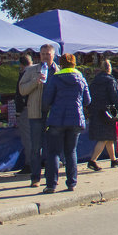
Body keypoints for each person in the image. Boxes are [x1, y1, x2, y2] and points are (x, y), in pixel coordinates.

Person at [41, 52, 90, 193]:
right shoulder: (81, 78)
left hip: (57, 119)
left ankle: (51, 184)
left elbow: (46, 100)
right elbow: (88, 100)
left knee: (53, 153)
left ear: (61, 64)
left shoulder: (55, 79)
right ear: (74, 63)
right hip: (75, 119)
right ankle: (71, 183)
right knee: (71, 151)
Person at [18, 44, 57, 188]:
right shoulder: (31, 70)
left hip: (53, 115)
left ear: (53, 55)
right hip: (36, 113)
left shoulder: (59, 71)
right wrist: (35, 81)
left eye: (48, 54)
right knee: (35, 148)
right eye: (43, 54)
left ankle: (51, 177)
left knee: (52, 148)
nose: (45, 56)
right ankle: (35, 177)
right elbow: (22, 90)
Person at [86, 60, 118, 170]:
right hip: (108, 113)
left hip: (97, 112)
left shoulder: (94, 81)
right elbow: (116, 98)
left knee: (109, 138)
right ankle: (92, 161)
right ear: (109, 68)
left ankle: (113, 160)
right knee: (104, 138)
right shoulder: (111, 81)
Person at [13, 54, 32, 174]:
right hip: (34, 108)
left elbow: (20, 94)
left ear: (21, 64)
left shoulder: (25, 74)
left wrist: (18, 112)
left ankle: (29, 163)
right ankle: (34, 161)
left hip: (26, 109)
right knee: (34, 137)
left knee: (27, 138)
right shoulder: (36, 72)